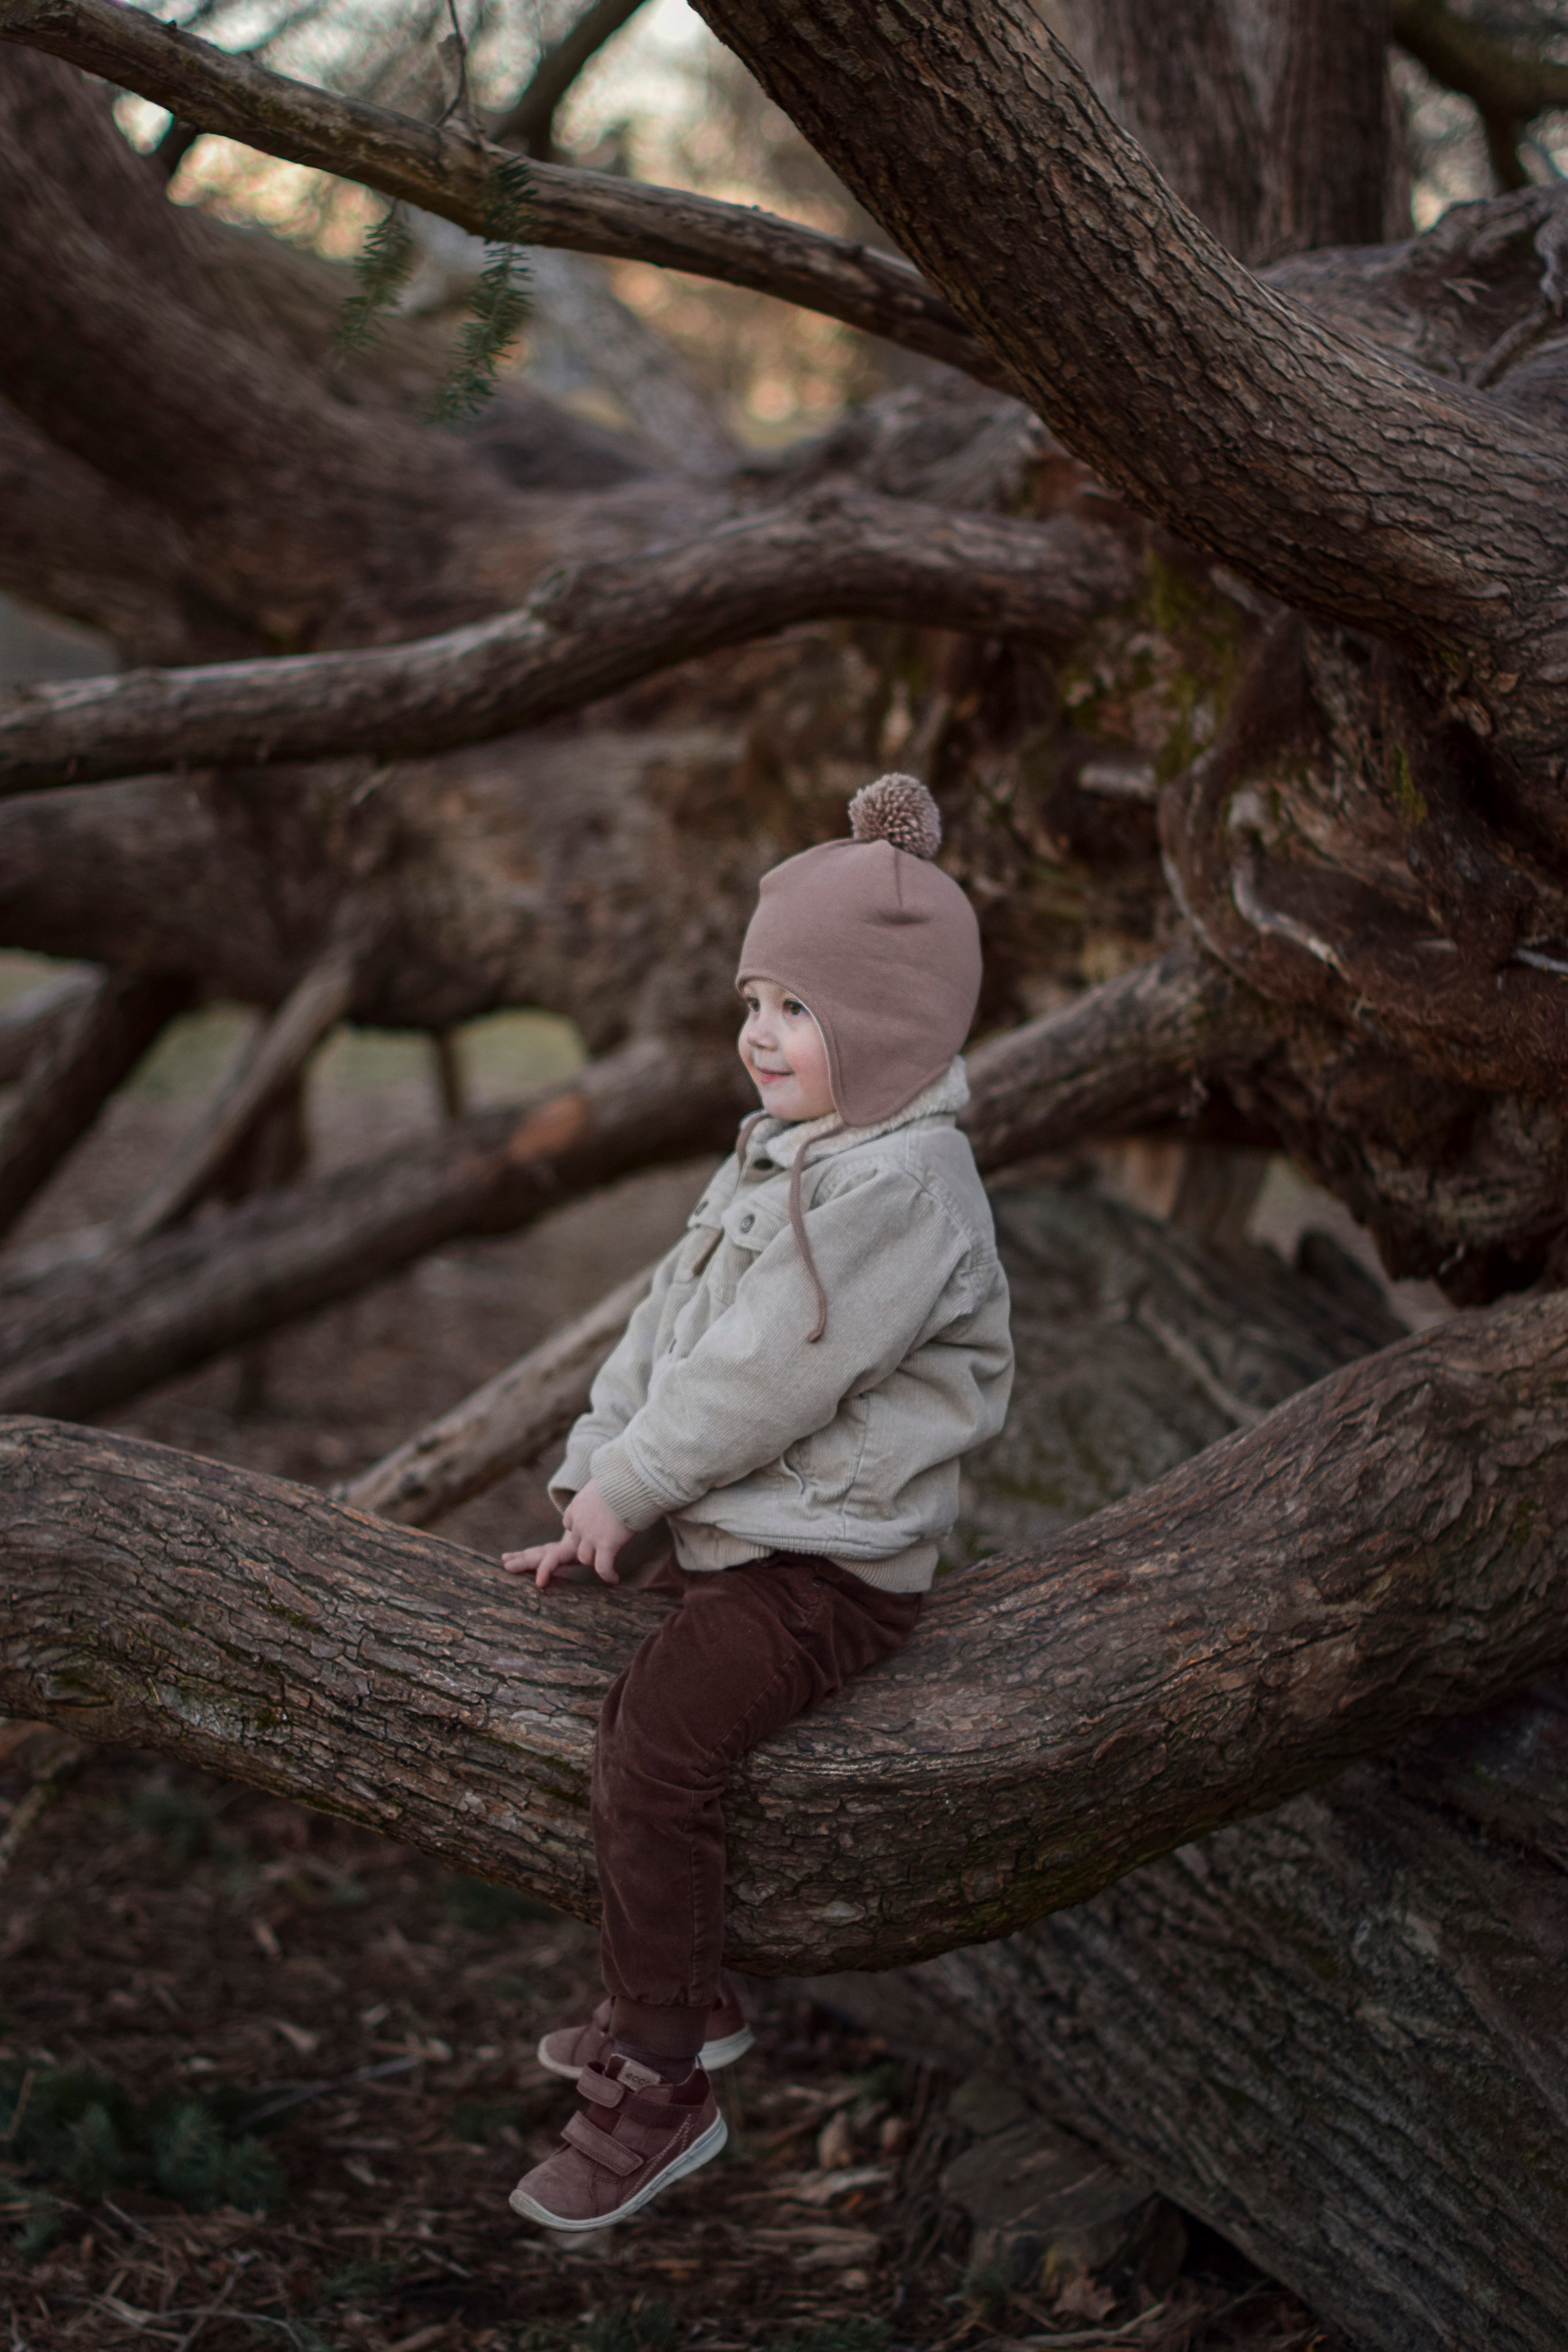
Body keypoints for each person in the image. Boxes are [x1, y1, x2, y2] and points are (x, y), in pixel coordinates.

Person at [500, 773, 1014, 2232]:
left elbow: (758, 1384)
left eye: (798, 1007)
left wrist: (641, 1484)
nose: (758, 1034)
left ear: (893, 1024)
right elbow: (664, 1332)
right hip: (752, 1541)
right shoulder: (783, 1159)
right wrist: (595, 1473)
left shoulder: (903, 1189)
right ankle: (683, 1992)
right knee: (618, 1723)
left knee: (657, 1752)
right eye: (757, 999)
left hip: (830, 1571)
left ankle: (661, 2086)